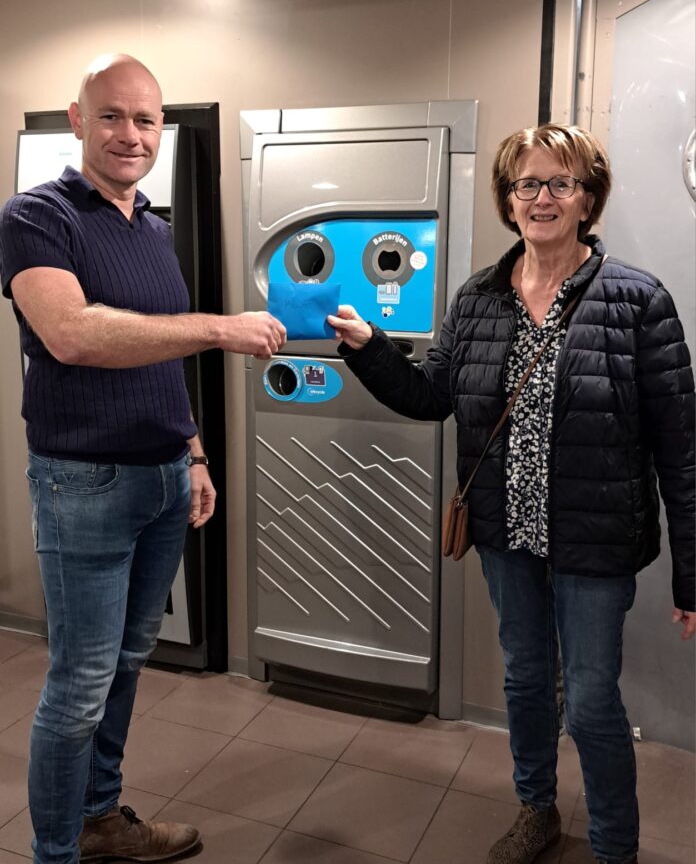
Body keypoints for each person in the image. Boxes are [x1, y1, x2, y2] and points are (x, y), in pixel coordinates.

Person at [328, 123, 695, 864]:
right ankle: (537, 809)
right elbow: (431, 396)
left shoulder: (637, 300)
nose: (542, 198)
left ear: (587, 197)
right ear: (508, 198)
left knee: (589, 699)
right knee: (526, 681)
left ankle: (615, 846)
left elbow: (680, 451)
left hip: (595, 539)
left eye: (561, 182)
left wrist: (691, 573)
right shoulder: (478, 298)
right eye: (527, 183)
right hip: (506, 533)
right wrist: (369, 349)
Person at [0, 53, 286, 864]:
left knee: (127, 660)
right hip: (84, 481)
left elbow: (158, 353)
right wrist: (220, 327)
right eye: (113, 116)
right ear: (78, 119)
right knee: (81, 680)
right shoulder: (35, 216)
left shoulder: (151, 227)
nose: (131, 134)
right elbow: (72, 333)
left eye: (146, 119)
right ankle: (55, 852)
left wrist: (192, 450)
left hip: (163, 477)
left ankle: (99, 820)